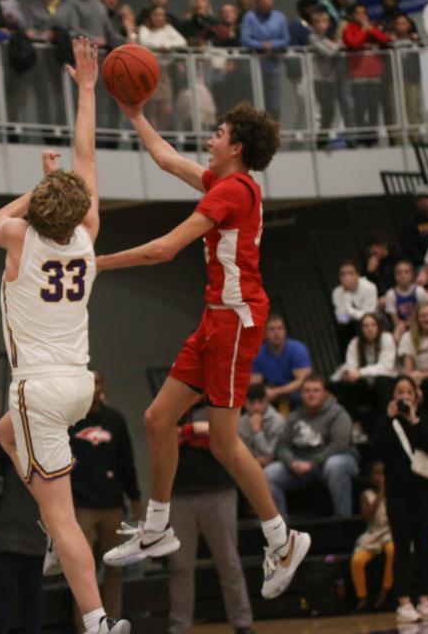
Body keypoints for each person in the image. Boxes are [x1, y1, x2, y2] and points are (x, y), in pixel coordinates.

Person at [96, 99, 311, 599]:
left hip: (236, 322)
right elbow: (167, 159)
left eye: (218, 132)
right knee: (157, 419)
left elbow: (163, 249)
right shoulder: (226, 183)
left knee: (222, 442)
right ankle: (157, 528)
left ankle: (282, 540)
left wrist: (96, 263)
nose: (209, 139)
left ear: (235, 147)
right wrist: (134, 115)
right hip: (214, 318)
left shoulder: (232, 191)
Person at [0, 39, 127, 634]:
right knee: (2, 434)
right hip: (79, 383)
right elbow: (86, 155)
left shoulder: (20, 239)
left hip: (38, 388)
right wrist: (88, 88)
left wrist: (40, 188)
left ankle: (95, 621)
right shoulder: (87, 235)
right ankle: (52, 524)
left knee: (62, 516)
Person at [169, 410, 255, 634]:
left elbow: (225, 437)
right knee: (180, 565)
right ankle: (178, 626)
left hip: (219, 492)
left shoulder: (218, 403)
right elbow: (163, 436)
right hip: (178, 496)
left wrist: (189, 434)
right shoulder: (169, 407)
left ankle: (242, 623)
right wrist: (196, 432)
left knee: (229, 561)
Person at [69, 372, 141, 629]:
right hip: (81, 508)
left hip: (112, 507)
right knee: (83, 574)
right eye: (89, 383)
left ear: (102, 387)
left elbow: (126, 462)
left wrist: (134, 497)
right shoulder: (70, 422)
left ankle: (113, 624)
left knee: (114, 569)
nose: (94, 387)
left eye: (98, 382)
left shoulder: (115, 420)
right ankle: (86, 628)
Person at [373, 376, 428, 623]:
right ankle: (403, 601)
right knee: (402, 548)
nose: (404, 397)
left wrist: (413, 420)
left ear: (417, 396)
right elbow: (380, 451)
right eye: (399, 392)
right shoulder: (386, 424)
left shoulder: (426, 421)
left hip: (424, 493)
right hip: (397, 495)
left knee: (425, 547)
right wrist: (390, 419)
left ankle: (425, 599)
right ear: (393, 397)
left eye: (409, 392)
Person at [0, 401, 45, 634]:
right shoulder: (3, 455)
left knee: (29, 602)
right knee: (7, 601)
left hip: (29, 536)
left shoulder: (40, 453)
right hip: (6, 537)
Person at [266, 375, 358, 519]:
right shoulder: (294, 416)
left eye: (316, 390)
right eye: (307, 390)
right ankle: (281, 529)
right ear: (301, 394)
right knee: (270, 473)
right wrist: (292, 462)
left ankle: (343, 520)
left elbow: (340, 445)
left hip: (333, 462)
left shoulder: (338, 413)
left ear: (324, 394)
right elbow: (282, 446)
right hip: (301, 466)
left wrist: (312, 463)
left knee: (335, 465)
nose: (311, 394)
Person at [331, 313, 397, 436]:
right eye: (365, 326)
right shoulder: (355, 343)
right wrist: (349, 373)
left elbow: (386, 367)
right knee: (347, 385)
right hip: (366, 386)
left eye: (373, 325)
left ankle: (389, 423)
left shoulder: (386, 338)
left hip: (386, 384)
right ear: (361, 329)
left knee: (381, 381)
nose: (369, 328)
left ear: (378, 327)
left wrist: (360, 372)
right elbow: (351, 366)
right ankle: (355, 425)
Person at [342, 3, 391, 148]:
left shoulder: (372, 27)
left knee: (374, 107)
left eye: (364, 13)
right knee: (360, 108)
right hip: (358, 76)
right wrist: (364, 31)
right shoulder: (349, 29)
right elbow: (354, 43)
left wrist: (371, 30)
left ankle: (373, 137)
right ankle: (362, 137)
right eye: (358, 13)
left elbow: (385, 40)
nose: (362, 16)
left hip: (375, 75)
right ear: (352, 15)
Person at [350, 461, 394, 613]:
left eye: (383, 473)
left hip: (390, 532)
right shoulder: (366, 494)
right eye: (377, 473)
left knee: (392, 550)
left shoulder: (395, 491)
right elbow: (367, 516)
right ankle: (362, 597)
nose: (381, 477)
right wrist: (381, 493)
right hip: (373, 533)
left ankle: (385, 590)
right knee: (357, 561)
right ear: (370, 477)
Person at [138, 6, 187, 132]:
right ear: (150, 16)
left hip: (164, 71)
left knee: (166, 108)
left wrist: (166, 45)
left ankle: (161, 136)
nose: (159, 18)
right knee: (151, 107)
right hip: (148, 70)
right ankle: (149, 138)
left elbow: (182, 41)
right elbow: (145, 42)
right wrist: (159, 46)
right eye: (156, 14)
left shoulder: (168, 29)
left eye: (161, 15)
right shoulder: (144, 29)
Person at [240, 0, 289, 119]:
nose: (264, 2)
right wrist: (262, 46)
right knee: (254, 103)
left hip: (273, 67)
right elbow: (245, 40)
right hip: (253, 67)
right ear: (256, 1)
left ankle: (273, 132)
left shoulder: (280, 17)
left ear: (272, 0)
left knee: (274, 103)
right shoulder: (249, 17)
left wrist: (272, 45)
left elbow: (285, 39)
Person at [250, 314, 312, 413]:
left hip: (293, 392)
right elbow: (255, 384)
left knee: (299, 396)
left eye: (280, 328)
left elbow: (303, 381)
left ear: (285, 331)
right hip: (270, 392)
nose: (276, 333)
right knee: (254, 400)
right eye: (272, 329)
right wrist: (265, 391)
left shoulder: (297, 349)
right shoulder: (258, 354)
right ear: (264, 334)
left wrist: (278, 391)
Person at [308, 8, 351, 149]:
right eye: (318, 22)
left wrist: (337, 43)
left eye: (324, 22)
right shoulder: (313, 38)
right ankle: (321, 141)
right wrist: (339, 42)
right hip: (320, 79)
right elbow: (329, 52)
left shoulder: (326, 39)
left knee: (331, 111)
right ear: (313, 24)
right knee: (327, 111)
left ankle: (324, 140)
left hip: (330, 79)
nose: (321, 25)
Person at [332, 260, 378, 360]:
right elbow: (341, 319)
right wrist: (346, 297)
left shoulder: (369, 287)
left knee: (367, 324)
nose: (347, 277)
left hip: (372, 322)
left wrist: (348, 308)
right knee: (342, 329)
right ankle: (346, 362)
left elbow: (368, 315)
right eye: (343, 274)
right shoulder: (337, 292)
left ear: (357, 275)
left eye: (350, 273)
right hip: (349, 326)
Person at [238, 383, 286, 467]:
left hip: (274, 463)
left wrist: (257, 431)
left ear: (267, 401)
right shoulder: (242, 422)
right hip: (249, 464)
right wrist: (254, 461)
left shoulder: (278, 420)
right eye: (251, 403)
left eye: (260, 402)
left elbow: (271, 454)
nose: (256, 407)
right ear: (245, 403)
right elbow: (242, 451)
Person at [384, 259, 428, 342]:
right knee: (399, 328)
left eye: (406, 272)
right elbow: (395, 321)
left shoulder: (419, 291)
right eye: (399, 272)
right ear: (395, 276)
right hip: (402, 327)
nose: (403, 275)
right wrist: (406, 325)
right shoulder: (391, 294)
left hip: (419, 323)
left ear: (412, 276)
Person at [401, 185, 428, 268]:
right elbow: (410, 249)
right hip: (424, 264)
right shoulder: (410, 224)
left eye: (426, 197)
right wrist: (427, 262)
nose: (423, 201)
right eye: (419, 199)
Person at [365, 231, 398, 302]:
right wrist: (370, 273)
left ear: (385, 245)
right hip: (380, 299)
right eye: (370, 246)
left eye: (377, 245)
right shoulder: (368, 263)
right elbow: (367, 289)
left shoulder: (397, 258)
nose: (373, 249)